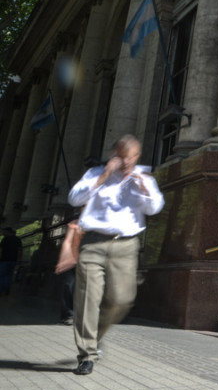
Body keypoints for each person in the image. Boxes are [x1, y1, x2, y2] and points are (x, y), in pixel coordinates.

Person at [67, 134, 164, 376]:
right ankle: (86, 354)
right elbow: (74, 198)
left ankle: (95, 338)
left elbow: (155, 207)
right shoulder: (95, 174)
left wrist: (142, 186)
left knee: (122, 299)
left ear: (137, 156)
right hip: (93, 243)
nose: (126, 161)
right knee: (88, 298)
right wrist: (103, 177)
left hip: (126, 246)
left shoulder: (144, 177)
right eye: (121, 157)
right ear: (114, 155)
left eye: (131, 157)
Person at [0, 226, 22, 295]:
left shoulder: (5, 239)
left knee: (1, 275)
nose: (2, 233)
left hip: (4, 260)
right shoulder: (18, 239)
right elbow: (20, 250)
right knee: (9, 275)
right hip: (13, 260)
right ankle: (7, 290)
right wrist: (18, 259)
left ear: (7, 231)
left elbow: (1, 250)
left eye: (3, 231)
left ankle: (1, 290)